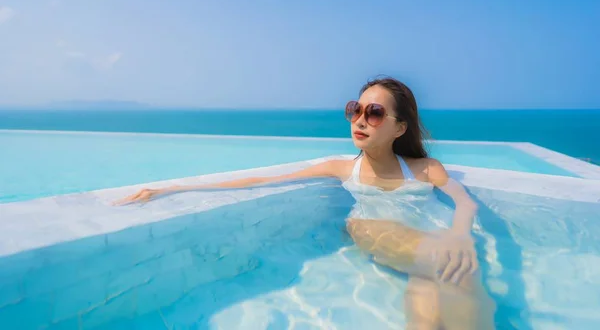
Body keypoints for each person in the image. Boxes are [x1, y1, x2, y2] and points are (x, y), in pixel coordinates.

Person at [115, 76, 496, 330]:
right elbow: (260, 180)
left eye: (374, 112)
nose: (360, 120)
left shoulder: (426, 168)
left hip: (427, 245)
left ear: (400, 127)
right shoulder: (341, 168)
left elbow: (464, 203)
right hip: (374, 232)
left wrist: (459, 236)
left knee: (429, 307)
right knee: (461, 274)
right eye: (355, 109)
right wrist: (171, 188)